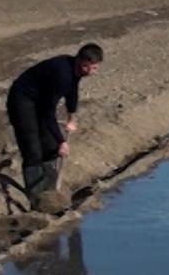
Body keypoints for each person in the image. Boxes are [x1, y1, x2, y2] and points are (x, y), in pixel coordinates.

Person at [6, 43, 103, 210]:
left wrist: (72, 115)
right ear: (80, 61)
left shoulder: (75, 70)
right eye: (88, 67)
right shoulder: (62, 75)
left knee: (51, 147)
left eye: (94, 68)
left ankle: (49, 191)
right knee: (32, 148)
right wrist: (62, 141)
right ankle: (37, 200)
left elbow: (72, 90)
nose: (91, 72)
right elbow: (47, 112)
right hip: (23, 99)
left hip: (41, 100)